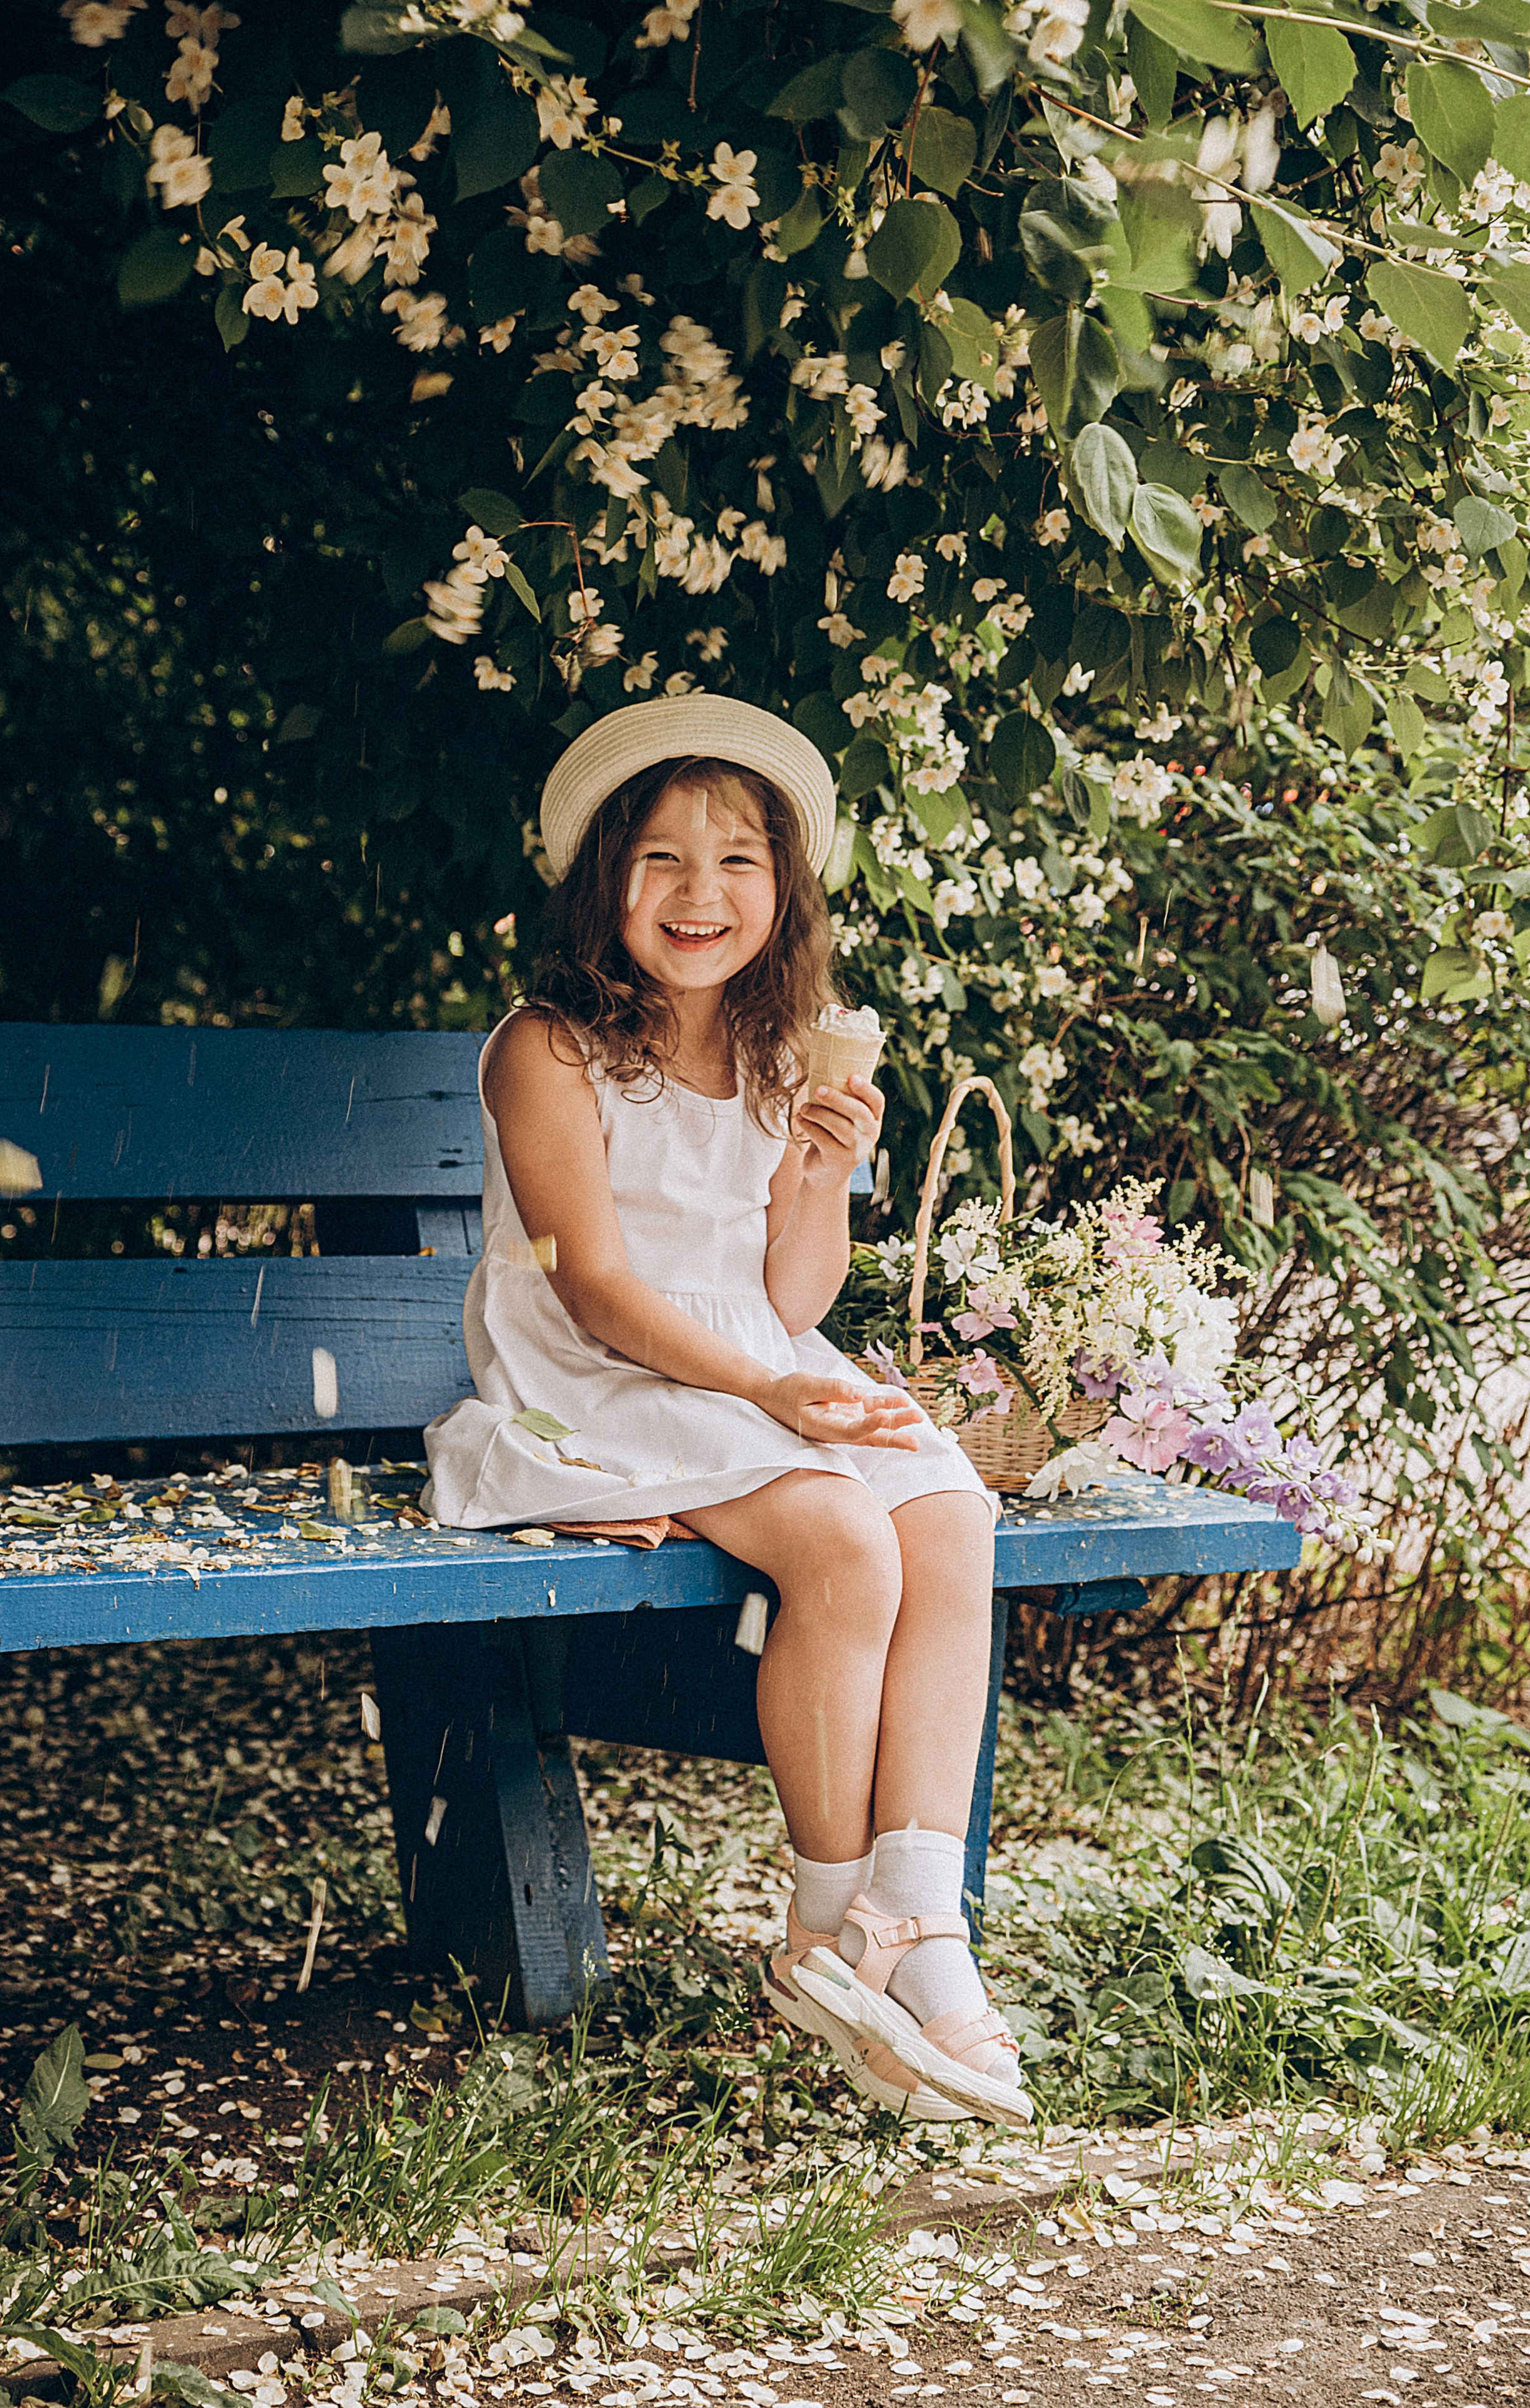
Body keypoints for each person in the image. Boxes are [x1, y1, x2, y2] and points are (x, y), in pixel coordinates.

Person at [424, 695, 1028, 2128]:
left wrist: (821, 1172)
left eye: (738, 861)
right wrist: (766, 1384)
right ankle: (826, 1924)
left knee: (947, 1515)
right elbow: (591, 1289)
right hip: (603, 1376)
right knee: (839, 1542)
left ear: (785, 890)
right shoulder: (548, 1048)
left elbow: (790, 1287)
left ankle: (917, 1914)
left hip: (755, 1361)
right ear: (603, 885)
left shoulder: (780, 1052)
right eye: (663, 861)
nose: (702, 896)